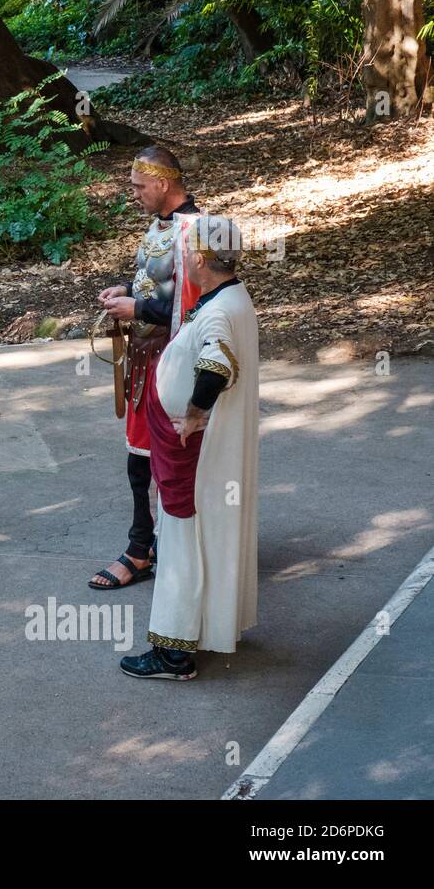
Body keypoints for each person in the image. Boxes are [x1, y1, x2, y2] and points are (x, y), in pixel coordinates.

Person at [120, 216, 259, 679]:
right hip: (190, 444)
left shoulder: (219, 309)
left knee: (180, 540)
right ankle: (211, 626)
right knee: (199, 536)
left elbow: (215, 368)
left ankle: (173, 652)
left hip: (190, 448)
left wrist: (196, 412)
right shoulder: (231, 297)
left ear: (199, 259)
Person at [89, 147, 201, 591]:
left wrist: (136, 306)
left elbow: (194, 306)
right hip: (145, 359)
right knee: (140, 460)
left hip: (173, 364)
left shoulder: (196, 232)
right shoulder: (159, 226)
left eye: (139, 185)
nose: (133, 192)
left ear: (163, 183)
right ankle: (146, 546)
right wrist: (127, 289)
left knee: (171, 461)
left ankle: (149, 550)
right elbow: (157, 283)